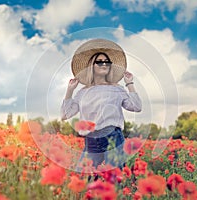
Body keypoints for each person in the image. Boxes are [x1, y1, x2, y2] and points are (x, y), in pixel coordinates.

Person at [61, 38, 142, 171]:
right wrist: (70, 90)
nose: (104, 64)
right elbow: (65, 114)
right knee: (85, 176)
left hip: (113, 136)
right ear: (92, 65)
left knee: (115, 179)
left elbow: (137, 107)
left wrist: (129, 83)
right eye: (99, 62)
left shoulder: (117, 89)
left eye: (107, 62)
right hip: (91, 139)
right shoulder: (83, 92)